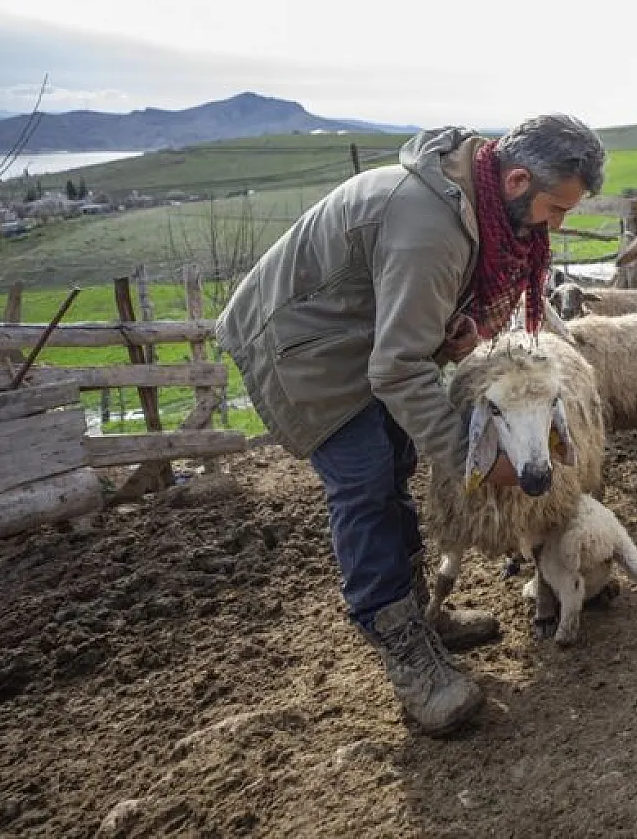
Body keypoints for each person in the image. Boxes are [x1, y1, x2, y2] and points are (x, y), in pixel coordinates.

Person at [214, 114, 607, 736]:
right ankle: (405, 652)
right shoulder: (431, 228)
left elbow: (403, 330)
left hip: (357, 340)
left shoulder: (471, 203)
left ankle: (420, 616)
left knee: (396, 465)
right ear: (517, 180)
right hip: (303, 353)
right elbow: (397, 369)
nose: (554, 226)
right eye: (554, 209)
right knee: (367, 484)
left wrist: (445, 334)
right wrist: (477, 463)